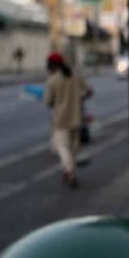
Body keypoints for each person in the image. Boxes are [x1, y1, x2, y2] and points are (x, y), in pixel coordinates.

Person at [44, 52, 92, 188]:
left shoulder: (52, 80)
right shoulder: (75, 76)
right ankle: (69, 171)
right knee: (73, 148)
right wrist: (80, 98)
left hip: (61, 120)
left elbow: (48, 101)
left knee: (62, 147)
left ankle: (69, 172)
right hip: (77, 118)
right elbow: (89, 91)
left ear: (51, 66)